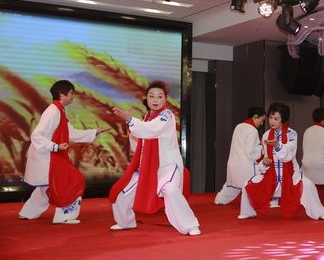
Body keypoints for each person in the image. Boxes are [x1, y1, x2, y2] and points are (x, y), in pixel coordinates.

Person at [110, 80, 200, 236]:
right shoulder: (147, 118)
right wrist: (133, 130)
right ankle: (125, 222)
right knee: (122, 192)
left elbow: (151, 130)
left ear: (165, 99)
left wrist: (131, 121)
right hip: (147, 167)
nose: (155, 100)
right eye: (151, 96)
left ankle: (190, 226)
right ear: (146, 99)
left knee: (170, 190)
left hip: (167, 166)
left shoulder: (166, 115)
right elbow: (141, 139)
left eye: (159, 96)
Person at [19, 80, 110, 224]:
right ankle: (64, 215)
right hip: (47, 155)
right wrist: (55, 147)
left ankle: (28, 213)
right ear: (62, 94)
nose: (73, 96)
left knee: (47, 186)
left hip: (47, 155)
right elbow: (37, 135)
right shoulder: (53, 112)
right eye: (71, 93)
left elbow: (70, 133)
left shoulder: (58, 110)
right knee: (73, 181)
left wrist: (94, 132)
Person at [239, 102, 324, 221]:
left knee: (308, 185)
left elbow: (288, 155)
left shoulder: (292, 134)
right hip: (271, 176)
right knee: (247, 184)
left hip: (290, 174)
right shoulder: (266, 135)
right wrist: (264, 162)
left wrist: (278, 146)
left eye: (276, 118)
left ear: (283, 119)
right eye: (270, 118)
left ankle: (319, 212)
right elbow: (265, 159)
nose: (272, 121)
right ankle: (248, 212)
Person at [214, 107, 266, 205]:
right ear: (255, 117)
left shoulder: (238, 126)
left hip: (233, 163)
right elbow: (251, 153)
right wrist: (261, 146)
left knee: (232, 186)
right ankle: (259, 202)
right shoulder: (253, 130)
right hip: (245, 166)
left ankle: (219, 199)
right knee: (259, 180)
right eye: (262, 120)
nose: (262, 123)